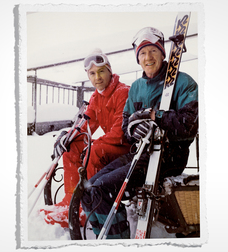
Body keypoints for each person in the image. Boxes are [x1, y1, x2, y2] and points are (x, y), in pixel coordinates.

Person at [81, 27, 198, 239]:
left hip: (169, 157)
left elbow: (191, 123)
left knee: (103, 189)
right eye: (142, 53)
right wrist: (134, 127)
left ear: (163, 53)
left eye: (153, 51)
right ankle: (103, 237)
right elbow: (126, 125)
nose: (148, 57)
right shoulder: (136, 87)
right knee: (88, 189)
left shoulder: (183, 83)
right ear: (138, 59)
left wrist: (157, 117)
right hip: (140, 154)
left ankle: (119, 241)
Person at [41, 49, 132, 228]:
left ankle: (88, 206)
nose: (97, 77)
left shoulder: (123, 92)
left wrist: (92, 146)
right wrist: (68, 137)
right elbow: (85, 125)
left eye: (101, 71)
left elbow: (120, 133)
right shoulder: (97, 97)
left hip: (126, 148)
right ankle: (70, 201)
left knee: (94, 151)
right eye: (92, 73)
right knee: (73, 147)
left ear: (109, 71)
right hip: (111, 145)